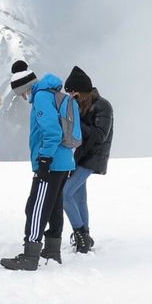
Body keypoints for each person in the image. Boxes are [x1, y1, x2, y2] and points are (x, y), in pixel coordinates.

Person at [0, 73, 80, 271]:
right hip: (63, 162)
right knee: (53, 206)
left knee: (36, 207)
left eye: (21, 94)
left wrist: (44, 159)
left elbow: (52, 131)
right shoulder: (53, 93)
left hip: (51, 163)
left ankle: (30, 255)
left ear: (26, 89)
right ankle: (52, 251)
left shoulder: (43, 96)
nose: (24, 99)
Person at [62, 66, 114, 253]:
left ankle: (81, 235)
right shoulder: (82, 105)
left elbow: (100, 135)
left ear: (82, 90)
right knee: (78, 197)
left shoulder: (102, 106)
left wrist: (76, 124)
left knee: (65, 195)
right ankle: (85, 236)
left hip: (93, 156)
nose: (71, 96)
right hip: (82, 156)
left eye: (73, 92)